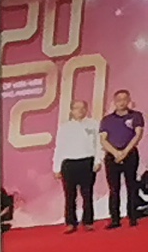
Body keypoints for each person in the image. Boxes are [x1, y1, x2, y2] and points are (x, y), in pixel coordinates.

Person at [56, 92, 103, 229]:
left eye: (83, 108)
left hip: (87, 162)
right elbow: (59, 147)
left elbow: (98, 144)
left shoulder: (94, 124)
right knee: (70, 196)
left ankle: (88, 222)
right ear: (71, 111)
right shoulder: (65, 127)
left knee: (87, 194)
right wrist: (56, 168)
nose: (80, 111)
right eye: (77, 108)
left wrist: (98, 160)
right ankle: (71, 223)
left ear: (86, 109)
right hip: (69, 163)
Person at [105, 87, 144, 227]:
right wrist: (116, 153)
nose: (121, 102)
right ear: (114, 102)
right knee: (113, 188)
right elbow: (103, 139)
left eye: (124, 99)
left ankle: (132, 216)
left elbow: (138, 134)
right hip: (112, 156)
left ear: (128, 101)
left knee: (131, 185)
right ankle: (115, 219)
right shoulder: (107, 120)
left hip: (130, 154)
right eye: (118, 100)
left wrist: (125, 152)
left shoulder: (136, 116)